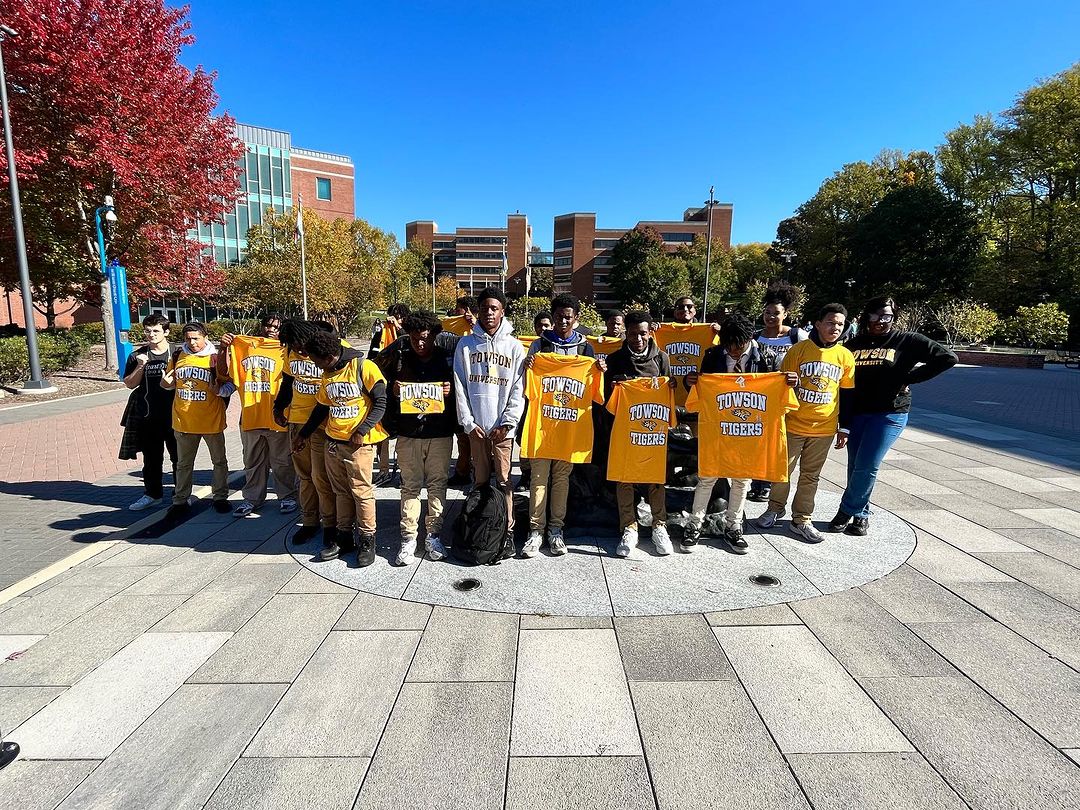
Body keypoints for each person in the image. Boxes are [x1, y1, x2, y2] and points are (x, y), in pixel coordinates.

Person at [830, 296, 957, 535]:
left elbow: (948, 358)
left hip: (889, 413)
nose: (880, 321)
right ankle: (861, 514)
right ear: (866, 316)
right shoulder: (853, 345)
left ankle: (846, 511)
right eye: (876, 315)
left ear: (894, 318)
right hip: (858, 413)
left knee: (868, 464)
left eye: (887, 316)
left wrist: (910, 378)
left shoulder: (907, 340)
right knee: (856, 466)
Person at [684, 314, 797, 552]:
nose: (734, 352)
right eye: (729, 347)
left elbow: (777, 389)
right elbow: (700, 389)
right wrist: (690, 381)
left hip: (750, 431)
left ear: (749, 339)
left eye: (739, 347)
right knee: (707, 477)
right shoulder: (713, 355)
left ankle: (733, 527)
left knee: (742, 479)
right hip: (719, 428)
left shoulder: (767, 357)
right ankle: (694, 525)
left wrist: (788, 382)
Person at [756, 304, 855, 543]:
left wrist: (845, 427)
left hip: (824, 427)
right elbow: (780, 385)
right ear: (818, 324)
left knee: (811, 475)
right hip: (793, 423)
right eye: (831, 322)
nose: (835, 328)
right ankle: (775, 508)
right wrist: (787, 383)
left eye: (840, 324)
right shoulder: (798, 351)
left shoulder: (845, 355)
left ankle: (802, 519)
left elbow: (848, 394)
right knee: (783, 472)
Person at [522, 293, 604, 558]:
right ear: (553, 317)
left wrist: (599, 369)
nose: (564, 321)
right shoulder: (540, 345)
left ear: (576, 319)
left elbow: (594, 390)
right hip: (543, 427)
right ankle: (535, 531)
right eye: (559, 316)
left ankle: (555, 529)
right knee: (538, 479)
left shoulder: (585, 349)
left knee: (561, 480)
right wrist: (526, 367)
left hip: (569, 428)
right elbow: (526, 387)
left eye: (568, 317)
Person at [295, 331, 388, 564]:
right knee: (340, 492)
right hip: (333, 441)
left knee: (361, 491)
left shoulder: (364, 367)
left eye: (316, 361)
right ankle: (344, 536)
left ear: (328, 356)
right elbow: (321, 408)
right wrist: (303, 434)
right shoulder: (328, 372)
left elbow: (382, 402)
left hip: (358, 445)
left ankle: (367, 540)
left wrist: (362, 430)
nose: (315, 366)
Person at [376, 310, 457, 565]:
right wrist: (393, 388)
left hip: (440, 432)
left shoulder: (448, 359)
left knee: (437, 484)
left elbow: (465, 392)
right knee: (409, 486)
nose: (419, 343)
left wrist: (450, 390)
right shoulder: (399, 358)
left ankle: (433, 534)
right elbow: (375, 375)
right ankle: (408, 537)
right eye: (413, 338)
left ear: (434, 336)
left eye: (424, 338)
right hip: (408, 433)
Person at [454, 287, 526, 558]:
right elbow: (460, 386)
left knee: (506, 481)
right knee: (481, 481)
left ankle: (507, 532)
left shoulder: (514, 346)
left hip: (502, 430)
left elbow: (518, 389)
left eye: (494, 308)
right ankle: (481, 527)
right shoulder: (466, 344)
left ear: (502, 311)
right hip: (477, 428)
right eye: (484, 308)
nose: (489, 313)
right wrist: (468, 423)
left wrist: (507, 424)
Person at [604, 310, 675, 557]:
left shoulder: (662, 359)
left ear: (650, 332)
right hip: (625, 430)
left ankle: (659, 525)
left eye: (642, 333)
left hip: (653, 431)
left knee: (656, 478)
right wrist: (614, 387)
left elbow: (669, 393)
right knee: (625, 478)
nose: (638, 338)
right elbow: (604, 401)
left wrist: (671, 386)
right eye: (633, 334)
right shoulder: (615, 359)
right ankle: (629, 527)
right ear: (626, 333)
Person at [218, 313, 298, 517]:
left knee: (282, 462)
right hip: (251, 415)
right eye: (267, 325)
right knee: (252, 462)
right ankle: (252, 498)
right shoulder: (244, 346)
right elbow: (224, 374)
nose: (271, 330)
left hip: (277, 415)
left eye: (276, 327)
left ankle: (287, 496)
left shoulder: (287, 350)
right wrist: (224, 348)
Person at [275, 319, 338, 545]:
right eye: (293, 345)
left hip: (323, 423)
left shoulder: (328, 346)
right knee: (305, 476)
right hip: (298, 421)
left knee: (322, 476)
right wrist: (278, 406)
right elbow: (287, 382)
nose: (299, 349)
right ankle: (309, 521)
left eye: (300, 343)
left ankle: (331, 523)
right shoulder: (290, 352)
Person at [160, 322, 230, 520]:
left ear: (205, 337)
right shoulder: (177, 356)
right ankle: (180, 500)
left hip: (211, 419)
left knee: (219, 461)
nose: (192, 342)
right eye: (188, 338)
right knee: (183, 464)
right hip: (184, 420)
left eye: (196, 338)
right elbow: (168, 382)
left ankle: (220, 497)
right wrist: (165, 384)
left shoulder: (214, 358)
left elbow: (229, 383)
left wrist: (220, 389)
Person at [748, 282, 809, 503]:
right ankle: (759, 483)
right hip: (761, 399)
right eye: (767, 313)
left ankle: (771, 484)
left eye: (776, 313)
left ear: (786, 314)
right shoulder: (755, 336)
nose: (771, 317)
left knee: (778, 444)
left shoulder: (796, 336)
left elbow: (811, 359)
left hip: (787, 397)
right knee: (758, 442)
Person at [120, 314, 178, 511]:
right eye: (148, 331)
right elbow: (129, 384)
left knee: (179, 458)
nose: (151, 335)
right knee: (151, 459)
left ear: (166, 332)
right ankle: (152, 494)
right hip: (147, 416)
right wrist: (141, 366)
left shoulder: (177, 353)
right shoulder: (137, 356)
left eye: (156, 331)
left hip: (175, 416)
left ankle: (181, 494)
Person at [514, 309, 554, 493]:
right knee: (524, 437)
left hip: (552, 402)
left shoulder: (561, 345)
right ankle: (525, 473)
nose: (543, 328)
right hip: (532, 399)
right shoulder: (535, 345)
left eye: (546, 325)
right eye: (539, 325)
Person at [445, 297, 479, 488]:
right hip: (455, 384)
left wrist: (474, 324)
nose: (455, 314)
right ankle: (463, 469)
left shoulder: (477, 327)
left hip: (474, 386)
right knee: (462, 436)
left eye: (458, 310)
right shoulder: (451, 327)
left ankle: (468, 470)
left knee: (469, 437)